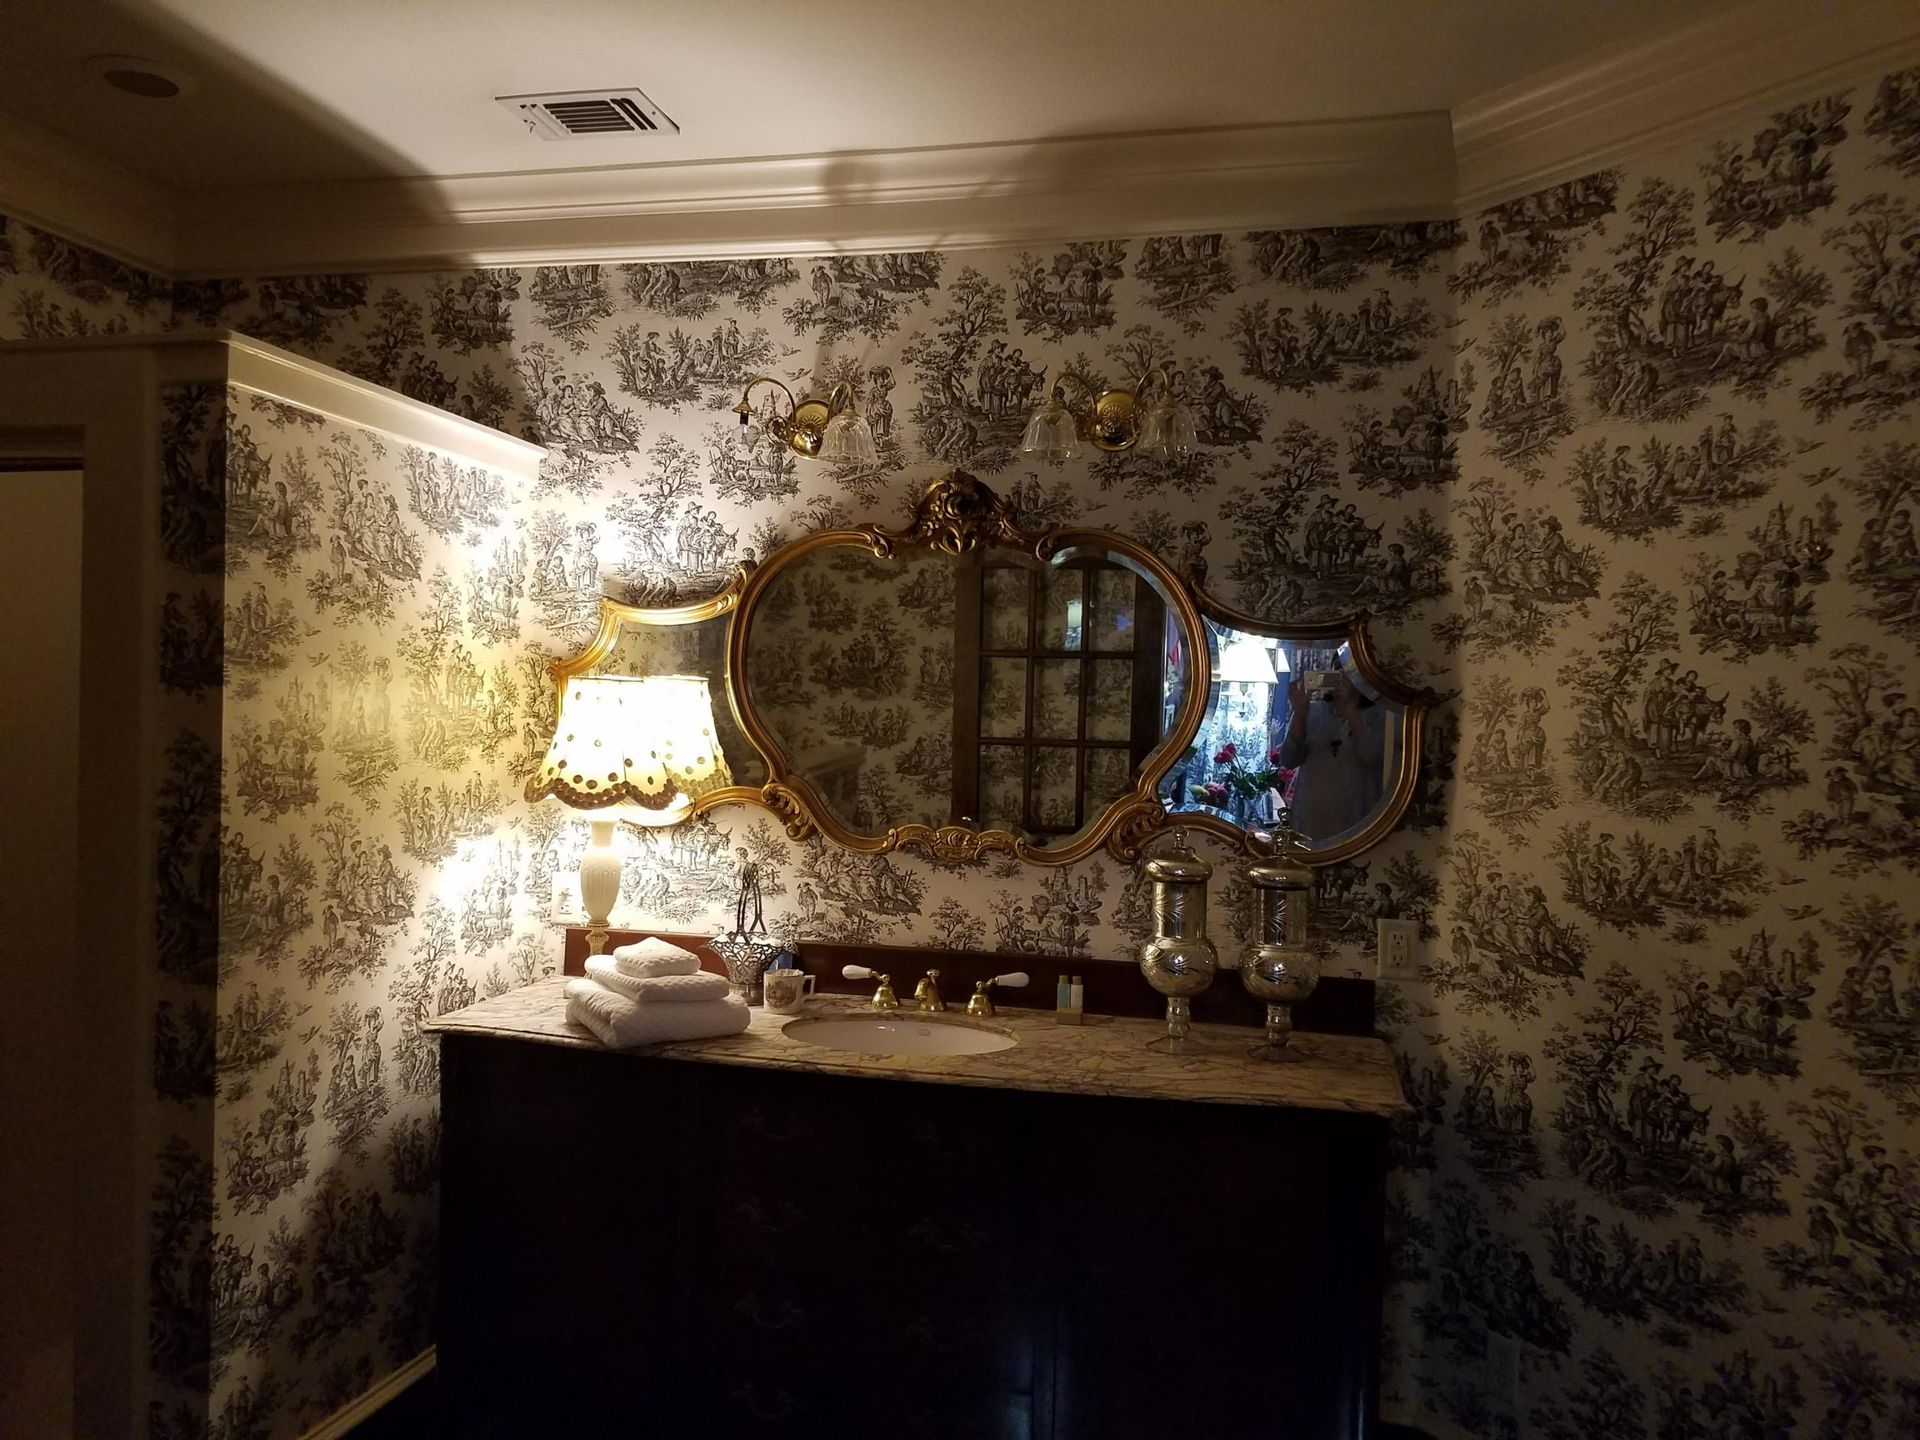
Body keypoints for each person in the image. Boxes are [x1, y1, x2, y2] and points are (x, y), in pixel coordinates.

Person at [1276, 670, 1385, 840]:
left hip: (1357, 821)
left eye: (1348, 673)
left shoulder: (1380, 715)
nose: (1341, 678)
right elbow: (1288, 760)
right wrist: (1299, 715)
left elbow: (1372, 757)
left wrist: (1351, 713)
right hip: (1310, 820)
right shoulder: (1312, 710)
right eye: (1336, 670)